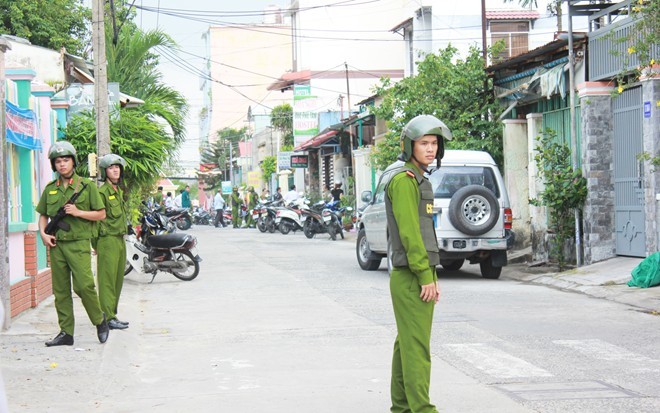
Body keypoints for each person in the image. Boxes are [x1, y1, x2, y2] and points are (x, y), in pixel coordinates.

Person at [385, 115, 452, 413]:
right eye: (423, 143)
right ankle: (422, 409)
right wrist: (425, 275)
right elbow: (411, 235)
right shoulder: (404, 181)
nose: (430, 149)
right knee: (417, 349)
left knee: (407, 344)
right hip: (411, 276)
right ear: (409, 145)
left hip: (418, 274)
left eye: (434, 143)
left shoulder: (418, 179)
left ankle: (401, 408)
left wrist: (431, 276)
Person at [35, 141, 109, 346]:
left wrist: (78, 212)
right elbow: (42, 215)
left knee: (84, 286)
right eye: (58, 161)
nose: (62, 164)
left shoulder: (87, 186)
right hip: (56, 245)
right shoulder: (50, 189)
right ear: (54, 165)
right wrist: (43, 234)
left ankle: (99, 320)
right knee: (60, 290)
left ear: (73, 162)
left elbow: (101, 214)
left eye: (66, 160)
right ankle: (66, 333)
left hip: (78, 244)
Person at [96, 154, 129, 330]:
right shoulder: (101, 193)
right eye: (111, 167)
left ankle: (112, 315)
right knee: (107, 279)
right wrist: (96, 244)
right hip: (107, 240)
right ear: (104, 171)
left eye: (117, 167)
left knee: (117, 279)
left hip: (119, 239)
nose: (115, 170)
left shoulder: (118, 191)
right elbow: (96, 220)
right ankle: (107, 317)